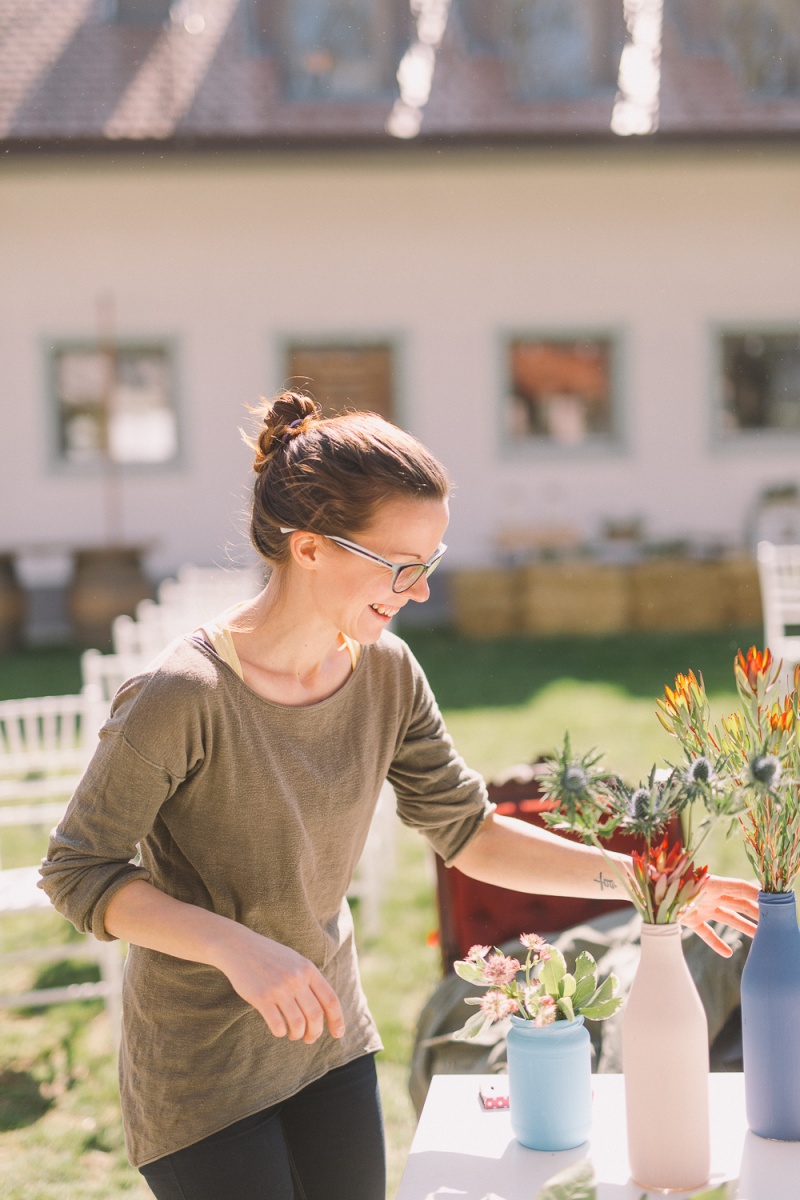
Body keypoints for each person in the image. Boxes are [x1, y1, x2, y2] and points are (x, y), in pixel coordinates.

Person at [39, 392, 759, 1200]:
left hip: (330, 1043)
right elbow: (78, 870)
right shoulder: (183, 693)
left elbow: (469, 832)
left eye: (431, 564)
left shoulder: (387, 674)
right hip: (201, 1072)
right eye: (400, 566)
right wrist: (236, 946)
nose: (418, 592)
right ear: (308, 548)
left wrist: (640, 883)